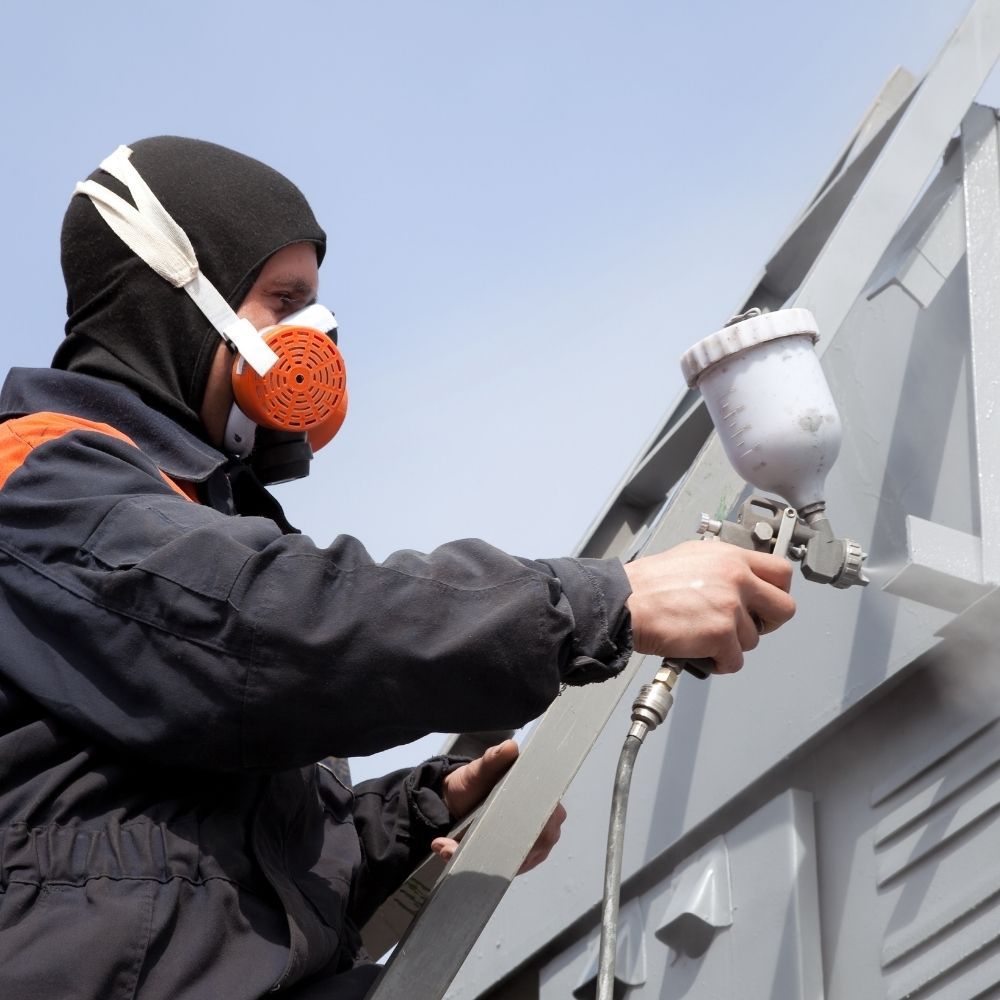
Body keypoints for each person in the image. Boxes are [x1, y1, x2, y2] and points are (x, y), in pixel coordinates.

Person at [0, 136, 795, 1000]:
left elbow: (218, 866)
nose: (318, 334)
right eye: (285, 299)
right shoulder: (37, 480)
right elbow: (269, 629)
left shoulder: (187, 520)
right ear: (176, 306)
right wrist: (606, 599)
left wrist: (419, 813)